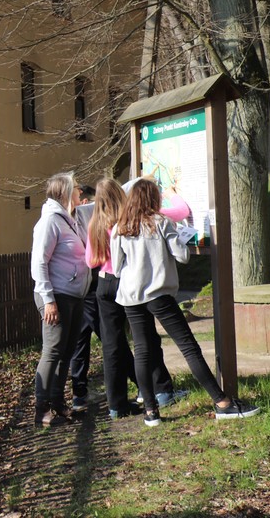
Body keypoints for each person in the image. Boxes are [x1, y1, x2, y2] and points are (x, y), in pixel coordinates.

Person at [111, 179, 260, 426]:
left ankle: (150, 412)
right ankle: (222, 402)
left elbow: (116, 268)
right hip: (159, 294)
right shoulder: (161, 223)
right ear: (152, 199)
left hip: (131, 297)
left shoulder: (120, 228)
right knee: (189, 348)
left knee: (142, 351)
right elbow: (182, 256)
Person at [86, 177, 185, 419]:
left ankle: (116, 405)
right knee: (146, 338)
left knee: (111, 345)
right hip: (128, 281)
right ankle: (160, 390)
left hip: (104, 283)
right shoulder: (128, 218)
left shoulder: (95, 225)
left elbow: (90, 261)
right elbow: (181, 212)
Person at [30, 172, 91, 426]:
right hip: (56, 295)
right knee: (53, 351)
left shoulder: (71, 218)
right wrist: (49, 299)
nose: (80, 191)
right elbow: (39, 262)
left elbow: (104, 202)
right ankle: (41, 409)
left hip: (74, 295)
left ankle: (57, 402)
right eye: (76, 187)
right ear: (65, 191)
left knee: (67, 351)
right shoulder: (50, 221)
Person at [68, 184, 98, 412]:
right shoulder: (68, 219)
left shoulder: (69, 219)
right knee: (107, 336)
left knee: (80, 341)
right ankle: (78, 392)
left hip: (80, 285)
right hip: (87, 285)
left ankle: (79, 393)